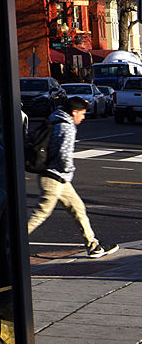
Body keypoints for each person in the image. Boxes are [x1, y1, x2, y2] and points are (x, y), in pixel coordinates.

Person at [27, 96, 118, 258]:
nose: (83, 117)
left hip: (57, 177)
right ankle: (12, 240)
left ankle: (93, 245)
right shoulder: (67, 127)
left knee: (78, 208)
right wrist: (70, 169)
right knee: (42, 212)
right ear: (74, 112)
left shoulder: (54, 119)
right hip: (54, 177)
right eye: (82, 114)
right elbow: (64, 154)